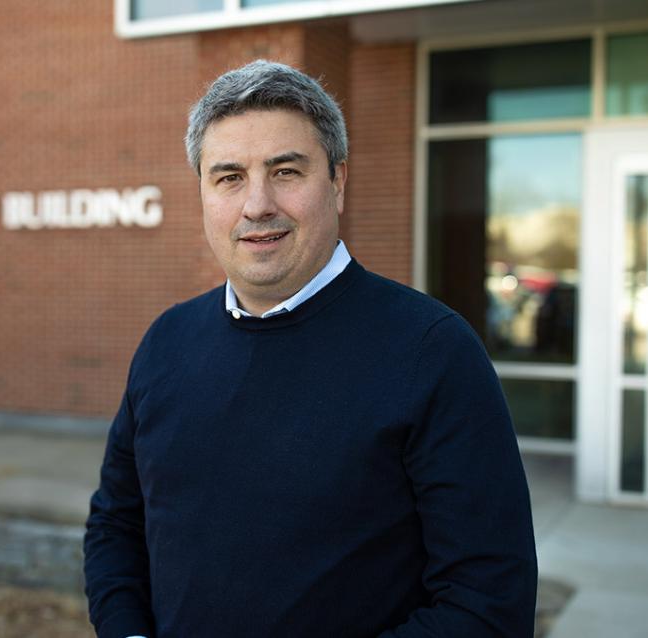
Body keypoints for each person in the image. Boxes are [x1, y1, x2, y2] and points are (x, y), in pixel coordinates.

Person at [83, 59, 537, 638]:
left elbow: (487, 601)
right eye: (229, 177)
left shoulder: (432, 351)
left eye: (285, 171)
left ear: (338, 181)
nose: (257, 205)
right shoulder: (166, 343)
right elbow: (117, 524)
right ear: (202, 192)